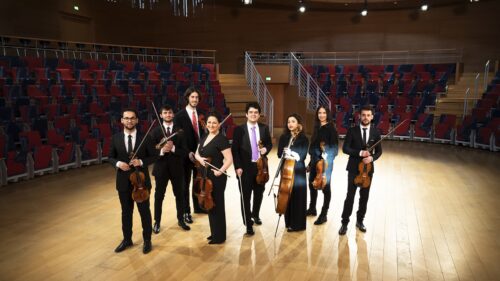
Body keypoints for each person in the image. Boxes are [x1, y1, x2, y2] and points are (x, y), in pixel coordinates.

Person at [108, 108, 157, 254]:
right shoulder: (116, 138)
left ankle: (147, 240)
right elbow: (110, 157)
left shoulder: (145, 138)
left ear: (136, 120)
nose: (129, 120)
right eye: (126, 118)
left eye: (132, 118)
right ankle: (127, 239)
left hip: (141, 183)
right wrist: (118, 164)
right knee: (126, 212)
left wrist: (141, 162)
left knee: (144, 212)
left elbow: (154, 156)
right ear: (122, 120)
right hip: (123, 182)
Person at [338, 105, 382, 235]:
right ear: (359, 116)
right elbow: (345, 149)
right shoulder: (352, 130)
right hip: (353, 168)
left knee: (364, 197)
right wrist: (360, 153)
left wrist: (372, 158)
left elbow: (379, 151)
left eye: (368, 115)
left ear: (372, 117)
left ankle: (360, 221)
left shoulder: (376, 132)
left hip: (368, 170)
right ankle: (344, 223)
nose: (366, 117)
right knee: (350, 196)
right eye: (363, 115)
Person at [231, 102, 272, 236]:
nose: (253, 115)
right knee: (246, 197)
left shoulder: (264, 128)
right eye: (251, 112)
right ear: (246, 114)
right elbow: (235, 150)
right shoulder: (239, 129)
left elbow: (269, 144)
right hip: (245, 168)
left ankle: (255, 214)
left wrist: (266, 149)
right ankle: (248, 224)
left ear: (259, 115)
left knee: (259, 193)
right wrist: (237, 167)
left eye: (256, 112)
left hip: (260, 167)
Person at [194, 112, 233, 244]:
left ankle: (220, 236)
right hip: (206, 176)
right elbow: (197, 153)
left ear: (219, 125)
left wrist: (221, 171)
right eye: (209, 122)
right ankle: (214, 233)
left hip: (216, 177)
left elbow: (229, 159)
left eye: (214, 123)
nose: (211, 125)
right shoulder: (205, 137)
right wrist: (199, 158)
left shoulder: (221, 139)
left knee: (217, 205)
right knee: (209, 204)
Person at [151, 105, 191, 233]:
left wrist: (173, 148)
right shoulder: (155, 132)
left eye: (170, 112)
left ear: (173, 115)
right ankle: (157, 222)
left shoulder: (180, 131)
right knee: (159, 196)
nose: (168, 115)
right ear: (161, 115)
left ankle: (180, 219)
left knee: (179, 195)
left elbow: (185, 151)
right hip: (161, 169)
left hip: (177, 169)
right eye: (165, 113)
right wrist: (162, 150)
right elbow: (151, 152)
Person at [174, 87, 206, 224]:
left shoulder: (201, 115)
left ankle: (198, 207)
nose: (195, 100)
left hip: (200, 153)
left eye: (197, 98)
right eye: (192, 97)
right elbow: (178, 138)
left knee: (198, 182)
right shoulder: (179, 116)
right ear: (187, 98)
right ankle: (186, 211)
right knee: (185, 184)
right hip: (187, 155)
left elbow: (204, 134)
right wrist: (188, 152)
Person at [306, 105, 339, 225]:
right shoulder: (316, 127)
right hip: (314, 161)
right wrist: (310, 163)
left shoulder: (331, 129)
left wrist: (327, 157)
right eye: (319, 113)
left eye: (324, 113)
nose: (321, 115)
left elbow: (335, 149)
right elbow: (314, 146)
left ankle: (324, 214)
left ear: (327, 114)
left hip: (325, 164)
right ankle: (312, 208)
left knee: (326, 188)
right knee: (312, 184)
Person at [277, 114, 309, 232]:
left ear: (298, 124)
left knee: (298, 197)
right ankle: (289, 222)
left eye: (293, 121)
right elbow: (279, 154)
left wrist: (292, 152)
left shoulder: (303, 139)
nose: (290, 124)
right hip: (286, 169)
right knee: (287, 195)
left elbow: (303, 156)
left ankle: (298, 225)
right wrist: (285, 153)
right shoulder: (284, 137)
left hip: (298, 170)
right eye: (288, 121)